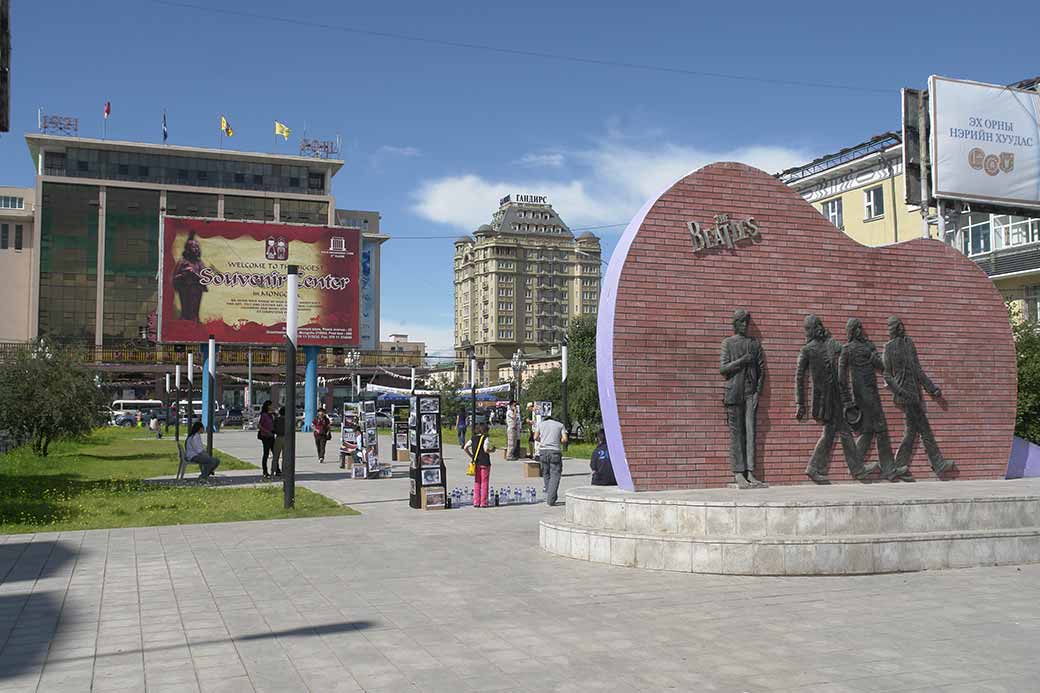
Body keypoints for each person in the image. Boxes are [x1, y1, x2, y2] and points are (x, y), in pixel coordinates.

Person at [796, 314, 877, 483]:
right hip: (824, 401)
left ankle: (854, 470)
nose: (808, 332)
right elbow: (799, 377)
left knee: (841, 433)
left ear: (818, 328)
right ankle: (818, 468)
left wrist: (864, 348)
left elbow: (846, 351)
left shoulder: (831, 344)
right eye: (806, 329)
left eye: (809, 328)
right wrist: (800, 403)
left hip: (837, 398)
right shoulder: (807, 350)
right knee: (834, 433)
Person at [883, 316, 956, 478]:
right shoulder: (889, 348)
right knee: (924, 430)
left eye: (901, 325)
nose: (902, 328)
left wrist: (931, 388)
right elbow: (887, 374)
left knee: (913, 431)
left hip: (914, 394)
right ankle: (937, 464)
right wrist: (899, 390)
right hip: (904, 395)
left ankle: (898, 466)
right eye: (898, 326)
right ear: (894, 328)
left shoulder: (909, 343)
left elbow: (917, 370)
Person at [840, 318, 909, 481]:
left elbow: (881, 365)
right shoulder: (848, 349)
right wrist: (847, 401)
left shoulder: (865, 347)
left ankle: (857, 466)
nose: (861, 331)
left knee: (868, 431)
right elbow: (841, 378)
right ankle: (889, 470)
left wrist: (873, 357)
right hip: (864, 397)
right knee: (880, 429)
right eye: (858, 329)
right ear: (853, 331)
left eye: (861, 328)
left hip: (870, 394)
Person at [719, 308, 766, 488]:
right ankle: (739, 473)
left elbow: (762, 371)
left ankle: (751, 472)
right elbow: (723, 369)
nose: (744, 325)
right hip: (734, 393)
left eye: (746, 322)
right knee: (737, 433)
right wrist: (741, 361)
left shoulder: (754, 344)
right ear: (735, 324)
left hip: (750, 394)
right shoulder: (728, 343)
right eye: (741, 322)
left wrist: (757, 392)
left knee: (751, 433)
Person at [535, 408, 568, 506]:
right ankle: (551, 498)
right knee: (555, 475)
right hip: (555, 452)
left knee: (546, 473)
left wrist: (543, 440)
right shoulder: (560, 425)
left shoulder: (540, 425)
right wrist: (558, 440)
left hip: (543, 452)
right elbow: (565, 439)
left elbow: (535, 437)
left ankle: (551, 494)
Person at [464, 423, 496, 507]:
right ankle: (483, 502)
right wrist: (492, 450)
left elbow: (465, 447)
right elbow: (485, 449)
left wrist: (471, 455)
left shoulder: (473, 438)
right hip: (485, 462)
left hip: (476, 462)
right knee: (484, 482)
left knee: (477, 481)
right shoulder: (485, 438)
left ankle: (476, 502)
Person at [258, 400, 275, 479]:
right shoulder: (264, 415)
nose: (272, 406)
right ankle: (265, 471)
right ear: (268, 406)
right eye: (271, 405)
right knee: (266, 454)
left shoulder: (270, 415)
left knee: (275, 453)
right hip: (265, 436)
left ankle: (276, 469)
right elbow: (260, 426)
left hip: (271, 435)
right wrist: (267, 432)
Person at [271, 406, 287, 477]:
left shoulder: (276, 419)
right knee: (285, 456)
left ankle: (273, 470)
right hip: (287, 438)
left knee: (276, 456)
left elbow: (273, 428)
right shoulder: (288, 420)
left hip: (278, 437)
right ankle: (284, 471)